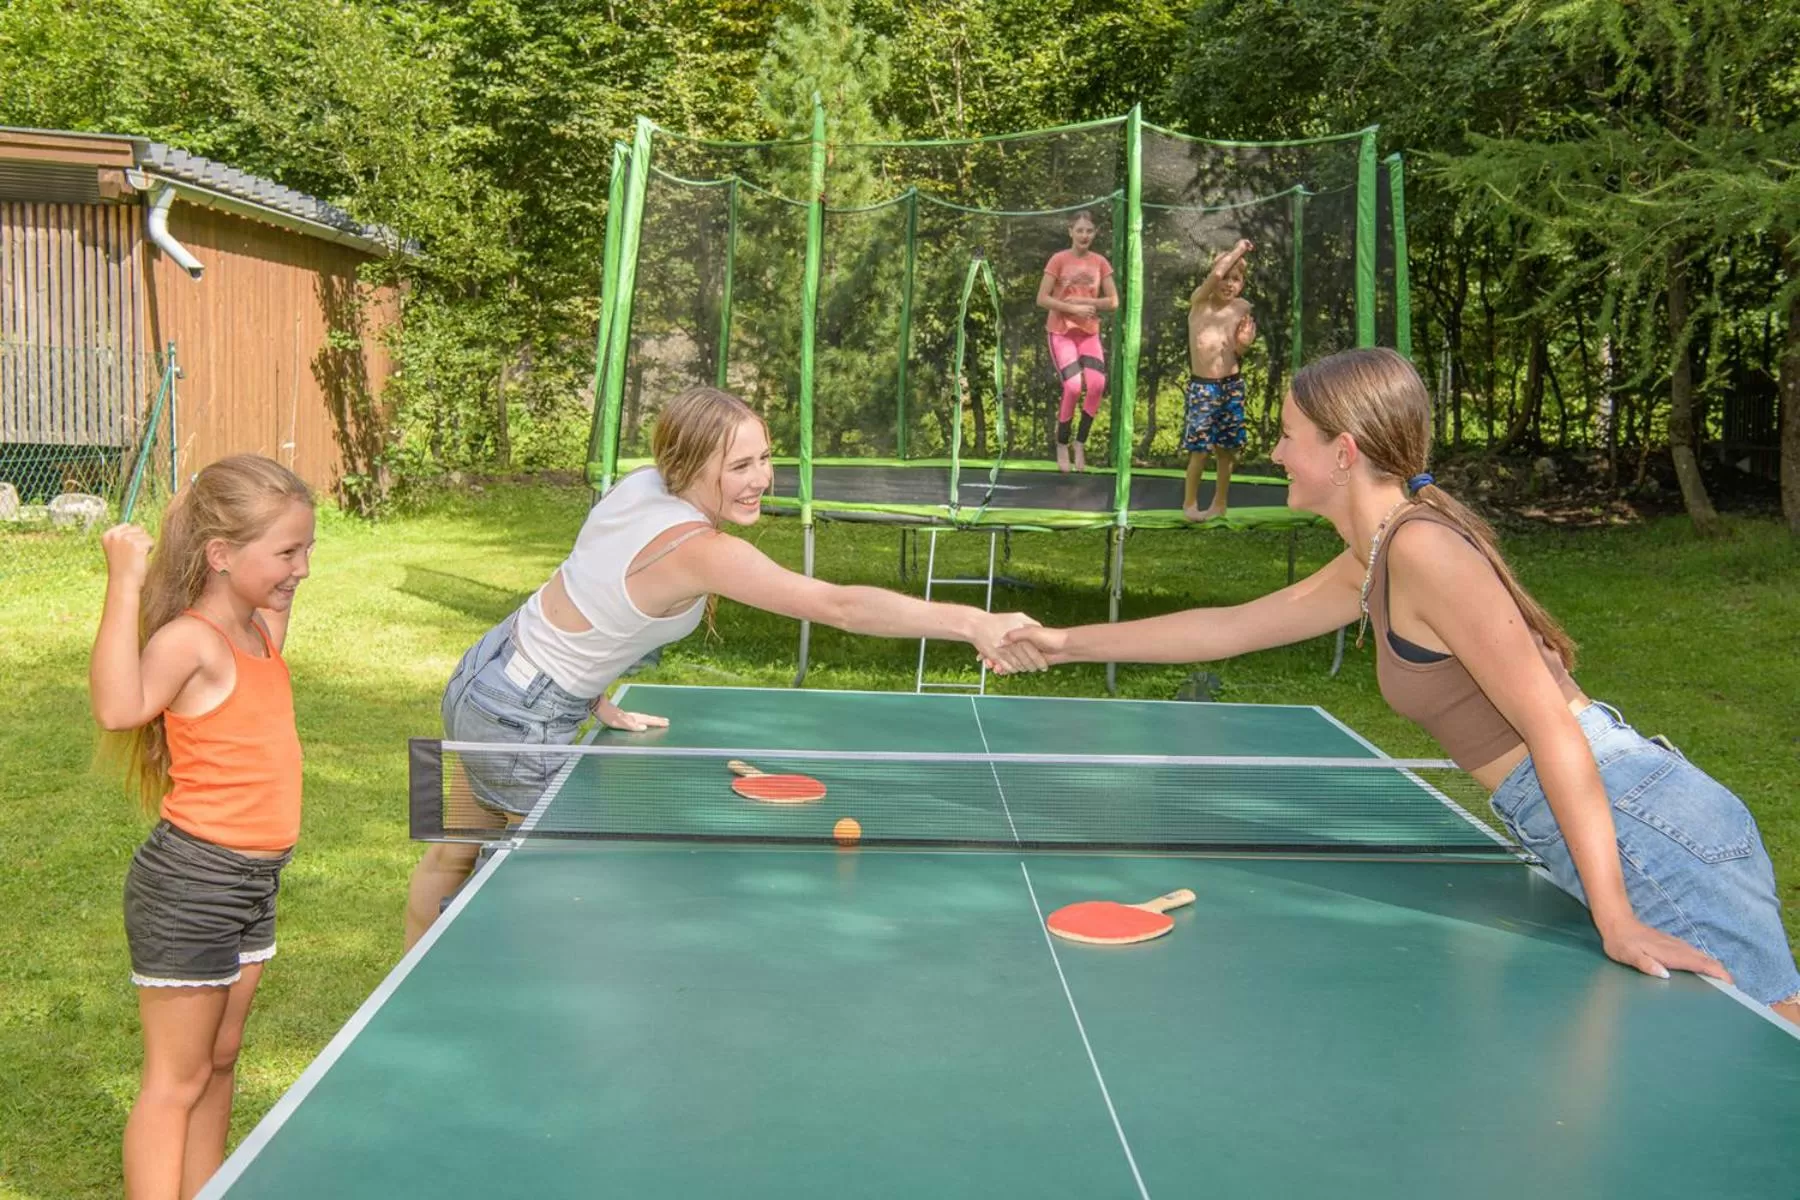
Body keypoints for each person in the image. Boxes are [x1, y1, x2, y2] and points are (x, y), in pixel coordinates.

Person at [1004, 347, 1800, 1024]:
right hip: (1601, 819)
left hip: (1640, 827)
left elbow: (1553, 728)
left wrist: (1616, 914)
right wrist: (1062, 641)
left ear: (1343, 452)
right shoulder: (1382, 551)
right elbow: (1231, 626)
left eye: (1286, 438)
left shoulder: (1425, 553)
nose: (1273, 452)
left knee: (1772, 1052)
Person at [404, 385, 1046, 945]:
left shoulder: (638, 486)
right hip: (518, 720)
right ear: (687, 465)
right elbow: (839, 606)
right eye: (739, 465)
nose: (762, 478)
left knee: (452, 851)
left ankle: (412, 998)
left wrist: (590, 690)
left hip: (489, 675)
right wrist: (972, 622)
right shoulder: (699, 549)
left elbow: (585, 583)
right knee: (572, 888)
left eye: (765, 457)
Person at [89, 455, 317, 1198]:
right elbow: (120, 708)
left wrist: (271, 552)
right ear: (221, 555)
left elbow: (269, 582)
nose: (302, 569)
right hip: (192, 884)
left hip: (252, 882)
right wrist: (125, 580)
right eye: (287, 552)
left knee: (222, 1054)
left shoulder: (258, 628)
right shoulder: (191, 642)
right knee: (175, 1079)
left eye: (307, 548)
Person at [1036, 210, 1119, 473]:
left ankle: (1080, 442)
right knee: (1072, 387)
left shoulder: (1100, 262)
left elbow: (1113, 302)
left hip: (1088, 333)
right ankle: (1062, 443)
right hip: (1061, 332)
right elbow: (1042, 298)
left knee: (1096, 384)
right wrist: (1070, 309)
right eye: (1080, 230)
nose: (1084, 235)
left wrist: (1086, 303)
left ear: (1094, 234)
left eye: (1089, 231)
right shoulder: (1059, 259)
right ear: (1070, 231)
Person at [1183, 238, 1258, 522]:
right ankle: (1190, 503)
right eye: (1225, 277)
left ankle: (1220, 503)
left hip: (1231, 385)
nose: (1228, 283)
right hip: (1203, 386)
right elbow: (1215, 274)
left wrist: (1244, 344)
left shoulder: (1241, 308)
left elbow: (1237, 349)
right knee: (1199, 450)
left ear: (1242, 283)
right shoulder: (1199, 302)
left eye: (1236, 279)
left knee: (1227, 449)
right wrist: (1238, 249)